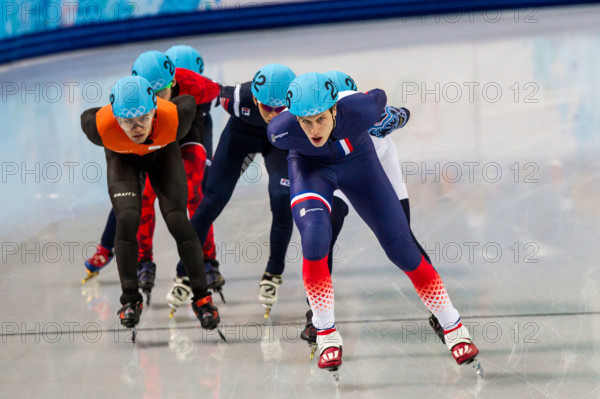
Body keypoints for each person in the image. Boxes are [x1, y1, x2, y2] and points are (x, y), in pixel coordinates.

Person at [267, 72, 480, 375]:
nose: (314, 130)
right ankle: (326, 332)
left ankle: (452, 325)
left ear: (335, 109)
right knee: (315, 237)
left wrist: (397, 115)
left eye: (320, 119)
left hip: (360, 165)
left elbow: (380, 96)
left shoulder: (362, 109)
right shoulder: (280, 130)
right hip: (312, 171)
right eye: (305, 121)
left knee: (401, 246)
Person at [299, 71, 433, 350]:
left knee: (402, 239)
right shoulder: (319, 124)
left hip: (379, 163)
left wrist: (392, 118)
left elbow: (403, 113)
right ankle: (316, 315)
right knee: (324, 234)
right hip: (341, 168)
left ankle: (437, 308)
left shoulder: (364, 115)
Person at [80, 75, 220, 334]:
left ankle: (202, 297)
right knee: (128, 218)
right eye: (128, 121)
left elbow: (188, 100)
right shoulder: (100, 126)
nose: (137, 128)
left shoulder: (175, 118)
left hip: (162, 156)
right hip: (123, 161)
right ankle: (130, 299)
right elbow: (88, 114)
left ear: (155, 109)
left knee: (177, 220)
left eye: (144, 118)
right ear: (115, 116)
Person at [174, 63, 296, 317]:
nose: (273, 114)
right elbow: (203, 91)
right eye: (266, 107)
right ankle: (184, 269)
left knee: (282, 198)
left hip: (279, 144)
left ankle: (273, 271)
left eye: (280, 108)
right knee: (212, 199)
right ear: (255, 98)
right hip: (240, 138)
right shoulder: (236, 97)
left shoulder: (300, 101)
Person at [130, 50, 221, 312]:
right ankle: (144, 261)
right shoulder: (132, 93)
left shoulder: (195, 85)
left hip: (189, 128)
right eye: (152, 94)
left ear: (173, 82)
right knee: (145, 196)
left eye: (162, 92)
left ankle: (207, 259)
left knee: (194, 192)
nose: (157, 99)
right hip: (155, 135)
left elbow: (225, 94)